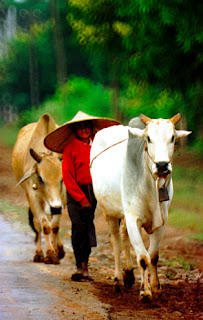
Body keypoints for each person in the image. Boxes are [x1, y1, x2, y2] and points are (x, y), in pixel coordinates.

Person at [44, 111, 120, 281]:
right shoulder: (70, 148)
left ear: (92, 129)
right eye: (80, 127)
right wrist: (81, 199)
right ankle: (80, 266)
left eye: (87, 126)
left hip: (93, 192)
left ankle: (85, 266)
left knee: (87, 227)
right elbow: (68, 177)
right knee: (78, 227)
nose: (84, 129)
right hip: (75, 193)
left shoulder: (98, 147)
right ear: (75, 130)